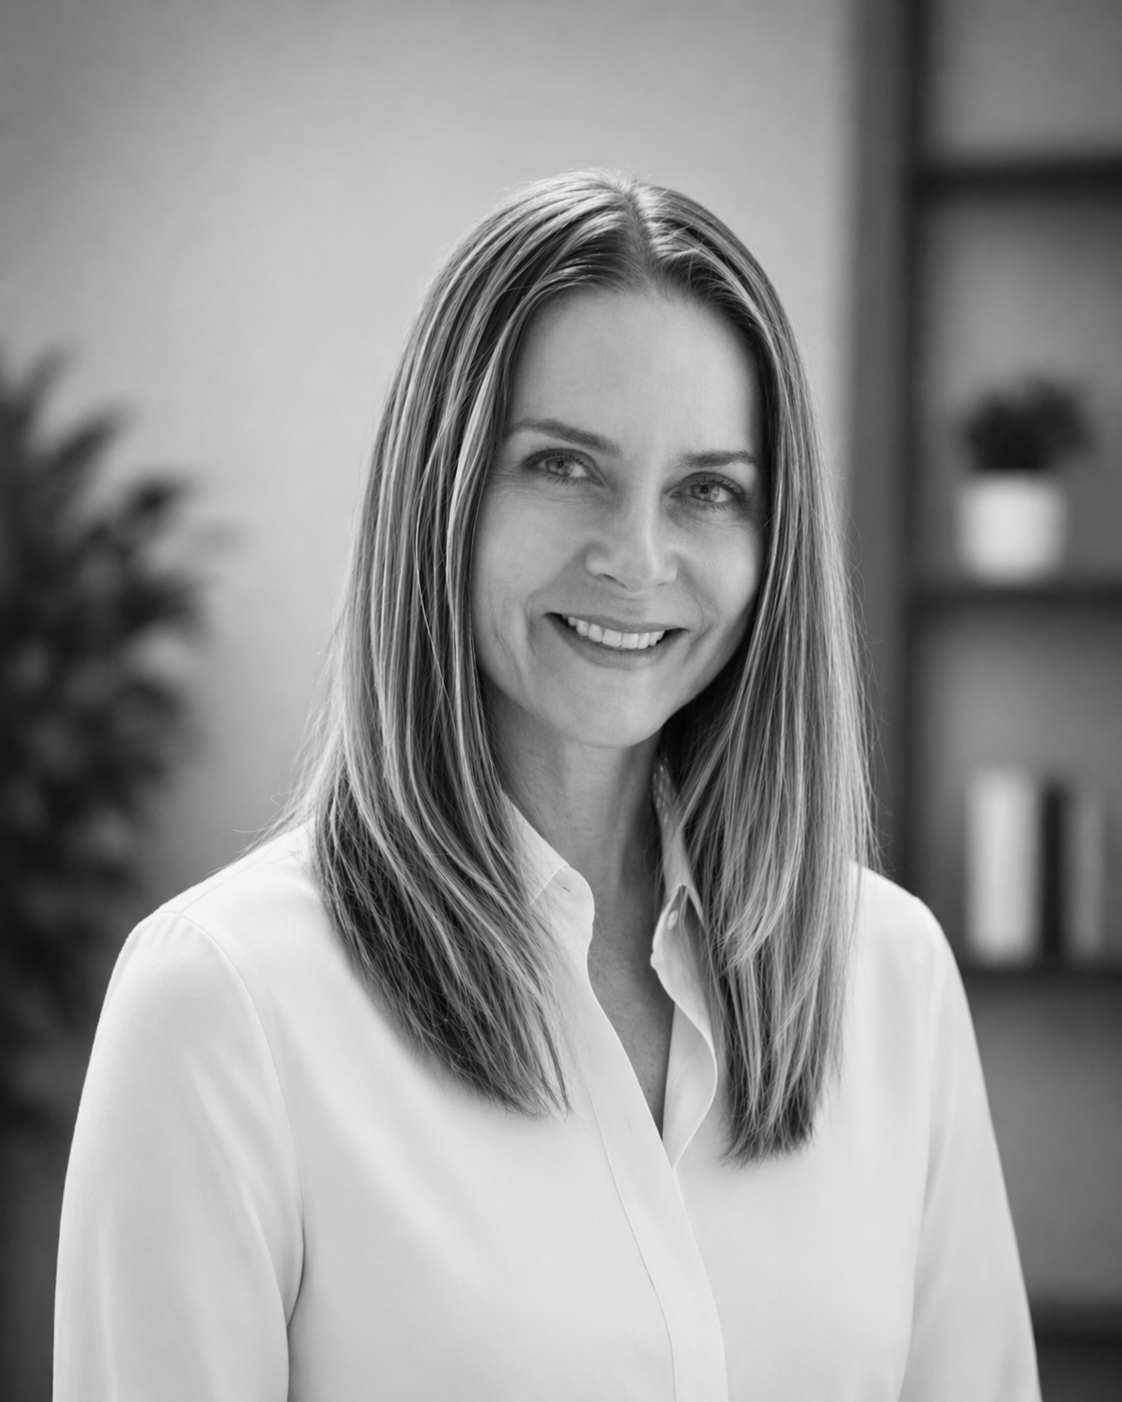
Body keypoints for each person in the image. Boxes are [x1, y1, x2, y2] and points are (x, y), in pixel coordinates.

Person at [54, 171, 1040, 1401]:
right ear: (443, 494)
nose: (636, 556)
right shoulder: (223, 1002)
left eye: (709, 489)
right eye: (564, 466)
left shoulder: (889, 976)